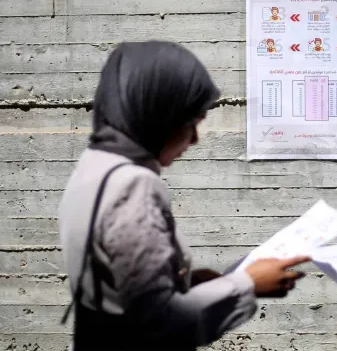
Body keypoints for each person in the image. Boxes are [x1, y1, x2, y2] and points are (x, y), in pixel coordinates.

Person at [58, 41, 309, 351]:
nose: (195, 139)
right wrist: (247, 284)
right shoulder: (133, 186)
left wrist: (189, 284)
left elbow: (119, 284)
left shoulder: (96, 164)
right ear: (160, 115)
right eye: (192, 123)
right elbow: (159, 322)